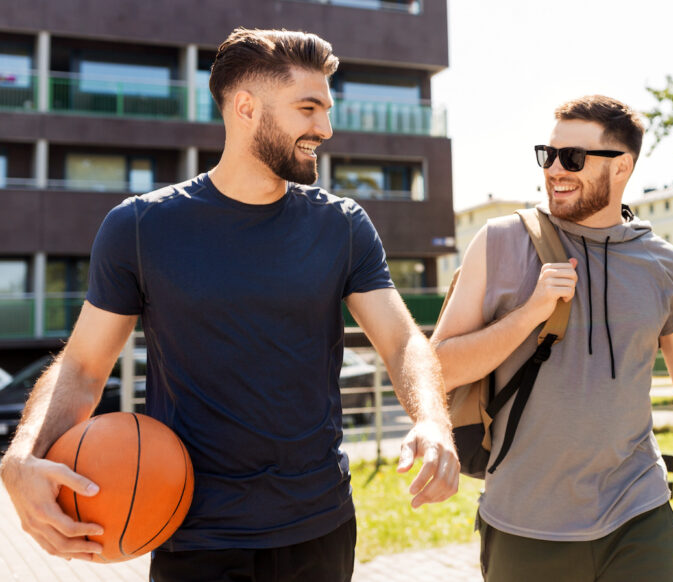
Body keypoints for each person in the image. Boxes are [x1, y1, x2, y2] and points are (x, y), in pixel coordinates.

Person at [0, 28, 459, 582]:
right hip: (193, 534)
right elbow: (81, 366)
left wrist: (431, 420)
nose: (326, 129)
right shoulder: (141, 227)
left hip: (320, 524)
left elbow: (401, 339)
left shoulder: (342, 226)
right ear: (246, 107)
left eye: (327, 109)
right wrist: (22, 455)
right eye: (308, 108)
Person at [431, 95, 673, 582]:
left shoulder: (666, 267)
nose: (555, 170)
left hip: (638, 515)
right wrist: (529, 315)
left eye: (574, 157)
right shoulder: (499, 241)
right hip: (523, 521)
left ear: (621, 166)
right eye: (549, 154)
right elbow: (437, 369)